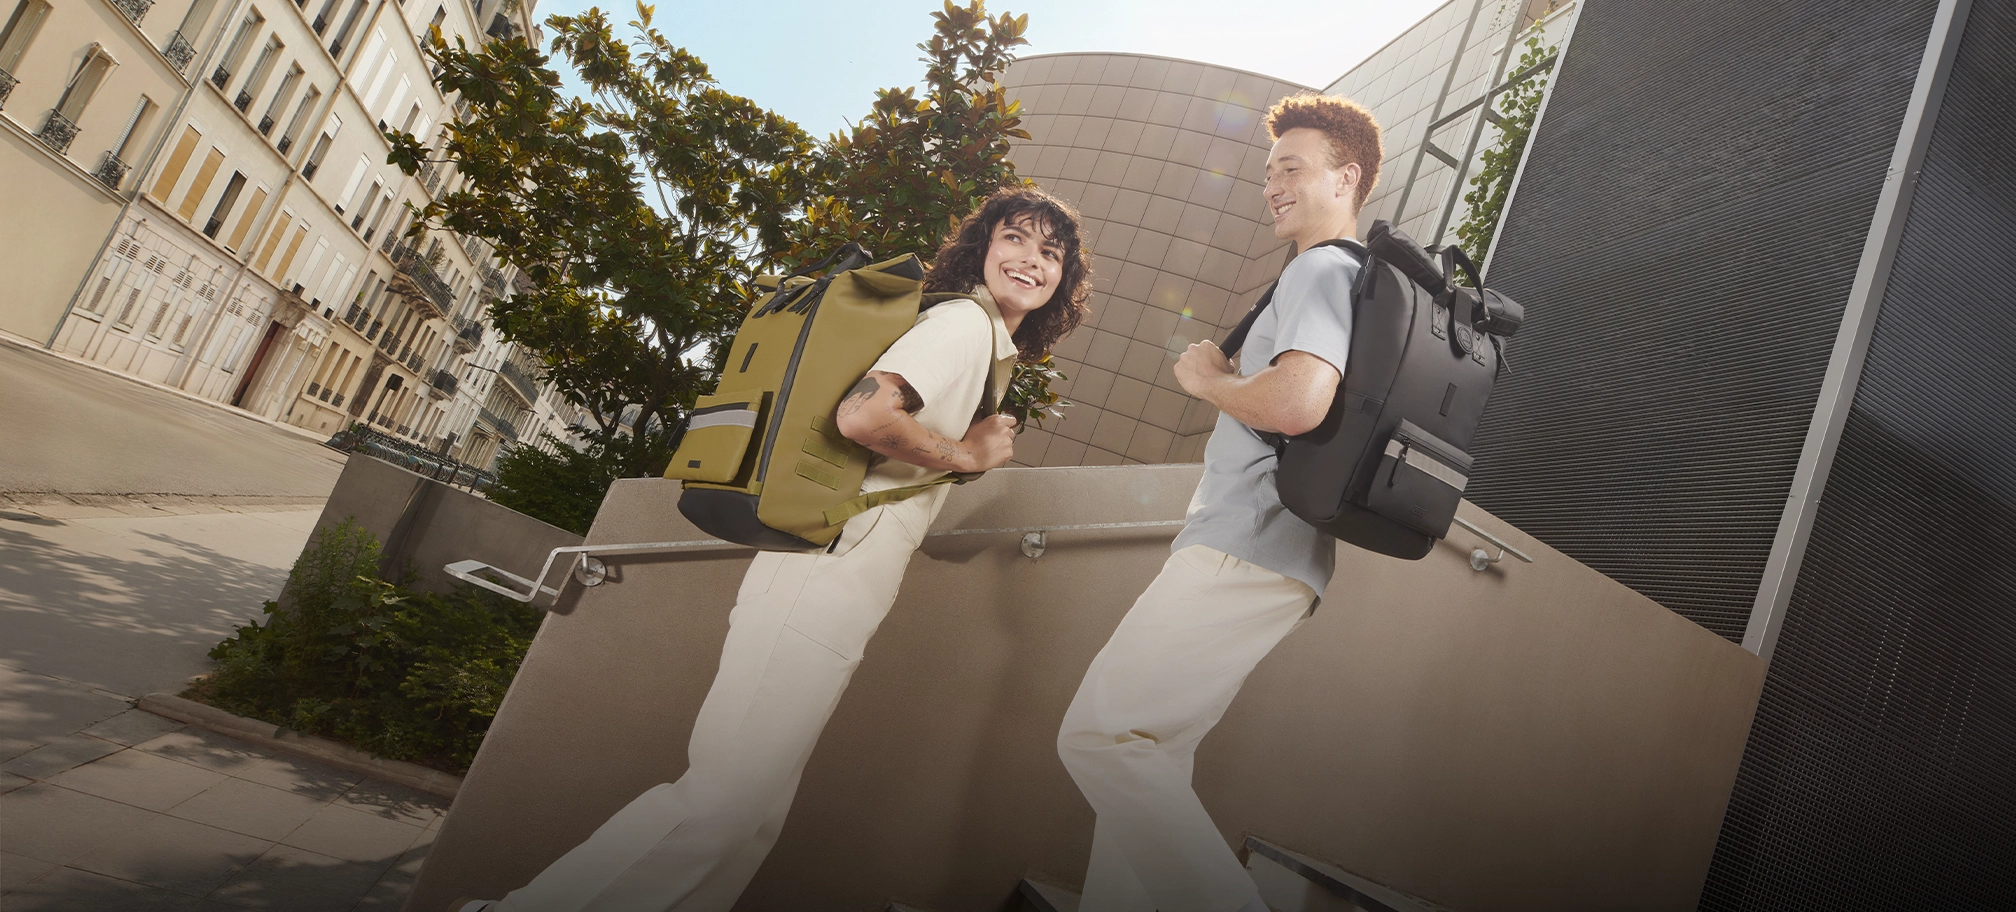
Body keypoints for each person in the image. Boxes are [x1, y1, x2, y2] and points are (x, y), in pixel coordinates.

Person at [456, 186, 1091, 912]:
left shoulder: (985, 341)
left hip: (837, 586)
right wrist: (967, 457)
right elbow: (863, 415)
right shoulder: (961, 326)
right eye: (1016, 239)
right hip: (816, 580)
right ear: (984, 248)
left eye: (1051, 253)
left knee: (748, 818)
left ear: (1064, 278)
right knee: (722, 804)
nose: (1032, 262)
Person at [1054, 93, 1384, 912]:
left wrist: (1211, 381)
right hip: (1276, 552)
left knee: (1102, 738)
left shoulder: (1320, 266)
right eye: (1268, 171)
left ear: (1346, 179)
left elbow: (1302, 400)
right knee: (1150, 755)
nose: (1272, 185)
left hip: (1246, 538)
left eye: (1292, 169)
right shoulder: (1349, 277)